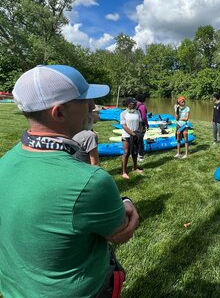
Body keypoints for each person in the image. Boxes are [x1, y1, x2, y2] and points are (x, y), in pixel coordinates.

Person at [0, 64, 139, 297]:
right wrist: (127, 203)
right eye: (85, 100)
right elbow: (121, 232)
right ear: (59, 113)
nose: (93, 107)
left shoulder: (6, 161)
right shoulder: (92, 181)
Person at [120, 97, 144, 179]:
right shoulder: (123, 113)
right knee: (126, 153)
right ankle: (123, 172)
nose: (134, 104)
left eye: (134, 103)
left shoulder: (137, 112)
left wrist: (140, 132)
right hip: (127, 136)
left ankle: (135, 167)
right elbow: (124, 126)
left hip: (136, 135)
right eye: (132, 103)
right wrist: (132, 134)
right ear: (127, 104)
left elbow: (140, 123)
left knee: (135, 152)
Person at [135, 92, 149, 161]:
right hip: (140, 125)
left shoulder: (134, 105)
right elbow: (143, 117)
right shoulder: (142, 106)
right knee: (140, 139)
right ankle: (140, 155)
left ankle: (135, 153)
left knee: (135, 138)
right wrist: (147, 124)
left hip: (134, 124)